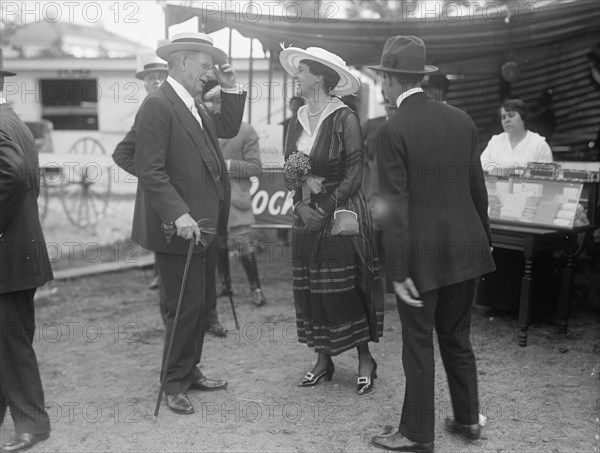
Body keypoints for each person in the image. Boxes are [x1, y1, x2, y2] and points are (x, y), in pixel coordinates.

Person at [367, 36, 496, 452]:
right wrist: (486, 243)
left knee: (419, 342)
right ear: (419, 77)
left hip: (421, 258)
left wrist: (398, 270)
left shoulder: (392, 130)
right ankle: (467, 420)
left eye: (381, 79)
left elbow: (393, 207)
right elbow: (479, 191)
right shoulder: (463, 121)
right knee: (457, 337)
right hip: (468, 248)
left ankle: (417, 434)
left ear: (388, 80)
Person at [130, 32, 246, 415]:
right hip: (179, 227)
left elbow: (227, 128)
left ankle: (189, 369)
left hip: (205, 226)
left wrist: (230, 87)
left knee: (198, 305)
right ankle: (173, 381)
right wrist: (177, 211)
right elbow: (150, 169)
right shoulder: (158, 105)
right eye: (204, 62)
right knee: (182, 306)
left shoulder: (193, 104)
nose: (209, 70)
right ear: (180, 61)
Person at [279, 46, 384, 395]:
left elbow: (355, 173)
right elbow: (289, 167)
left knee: (344, 287)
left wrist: (322, 211)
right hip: (306, 215)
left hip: (340, 215)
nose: (297, 77)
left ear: (321, 77)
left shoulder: (344, 118)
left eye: (302, 72)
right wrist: (299, 206)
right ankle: (323, 359)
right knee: (310, 288)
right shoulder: (297, 118)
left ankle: (365, 358)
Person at [0, 52, 53, 452]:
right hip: (21, 251)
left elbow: (14, 174)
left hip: (8, 252)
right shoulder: (14, 120)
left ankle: (32, 424)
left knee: (12, 340)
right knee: (8, 338)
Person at [113, 53, 169, 295]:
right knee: (162, 232)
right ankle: (161, 276)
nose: (156, 81)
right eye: (151, 78)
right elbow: (121, 153)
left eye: (161, 77)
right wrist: (149, 174)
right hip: (160, 188)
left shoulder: (179, 107)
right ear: (144, 84)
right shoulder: (146, 111)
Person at [361, 99, 397, 268]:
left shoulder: (405, 124)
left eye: (394, 107)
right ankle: (374, 260)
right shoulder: (374, 124)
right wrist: (367, 160)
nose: (391, 110)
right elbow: (356, 143)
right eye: (388, 107)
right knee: (376, 218)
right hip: (376, 177)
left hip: (397, 180)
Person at [480, 98, 553, 172]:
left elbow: (546, 178)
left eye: (511, 115)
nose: (506, 120)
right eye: (503, 117)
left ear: (523, 117)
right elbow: (480, 168)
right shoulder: (495, 142)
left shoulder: (539, 144)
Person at [278, 96, 305, 246]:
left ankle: (299, 232)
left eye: (297, 104)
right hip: (286, 168)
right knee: (284, 201)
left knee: (299, 201)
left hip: (302, 169)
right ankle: (282, 234)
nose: (294, 106)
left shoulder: (307, 123)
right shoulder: (283, 125)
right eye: (292, 103)